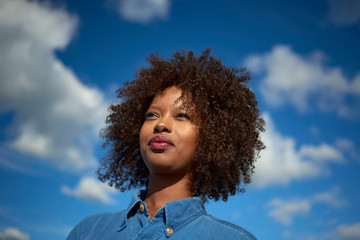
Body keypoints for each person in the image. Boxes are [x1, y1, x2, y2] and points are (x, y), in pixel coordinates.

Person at [66, 49, 265, 240]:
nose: (161, 124)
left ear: (211, 137)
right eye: (152, 115)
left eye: (182, 115)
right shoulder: (87, 232)